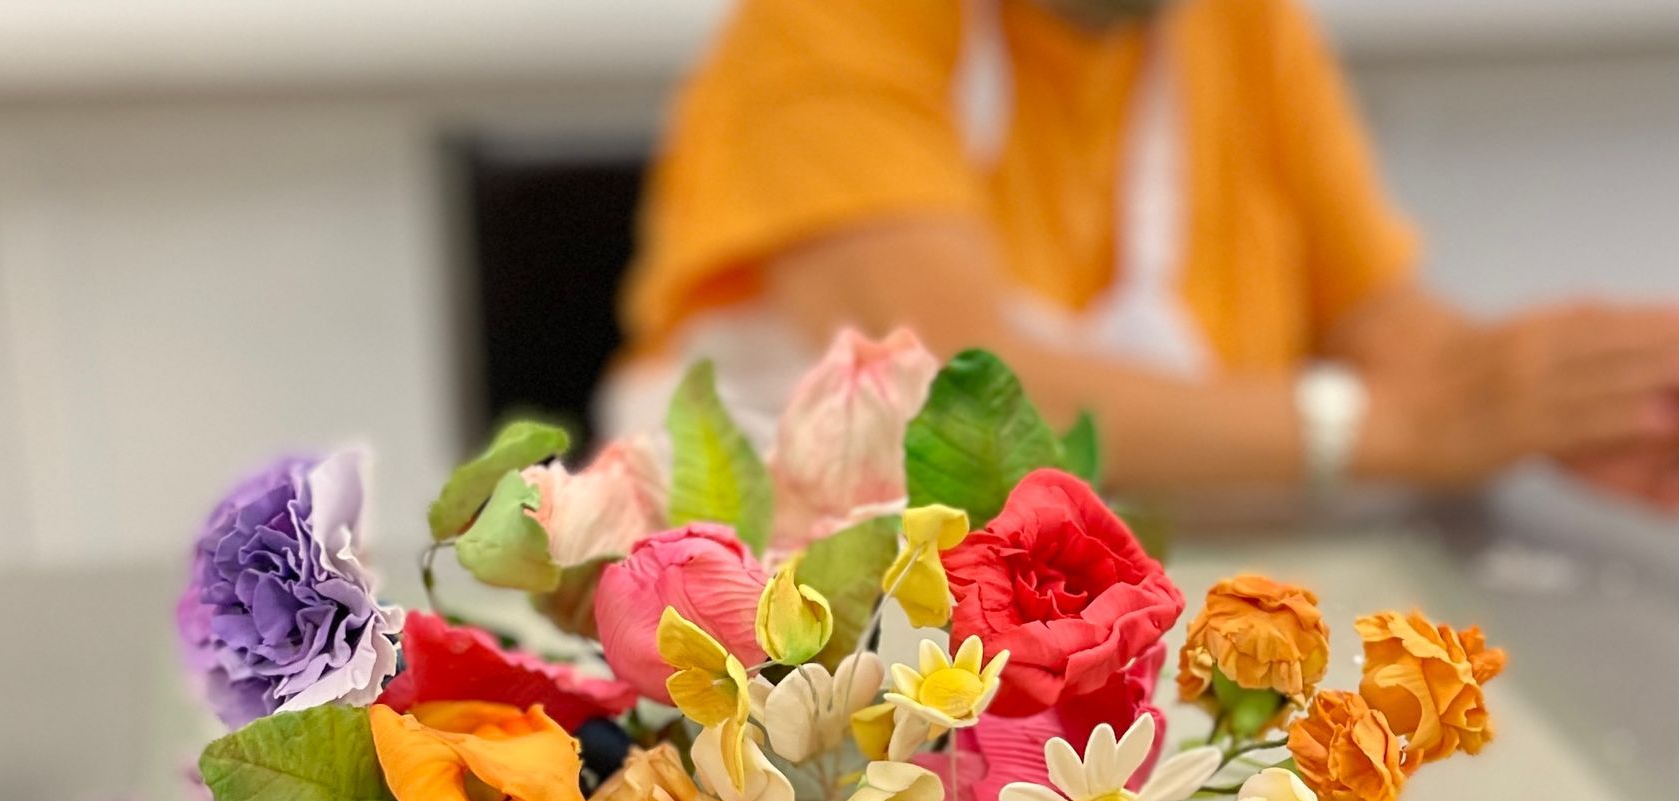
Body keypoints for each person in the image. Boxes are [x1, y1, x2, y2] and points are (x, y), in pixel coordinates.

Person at [610, 0, 1679, 506]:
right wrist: (1405, 425)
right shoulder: (827, 26)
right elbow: (968, 398)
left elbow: (1391, 333)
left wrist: (1581, 398)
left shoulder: (1242, 28)